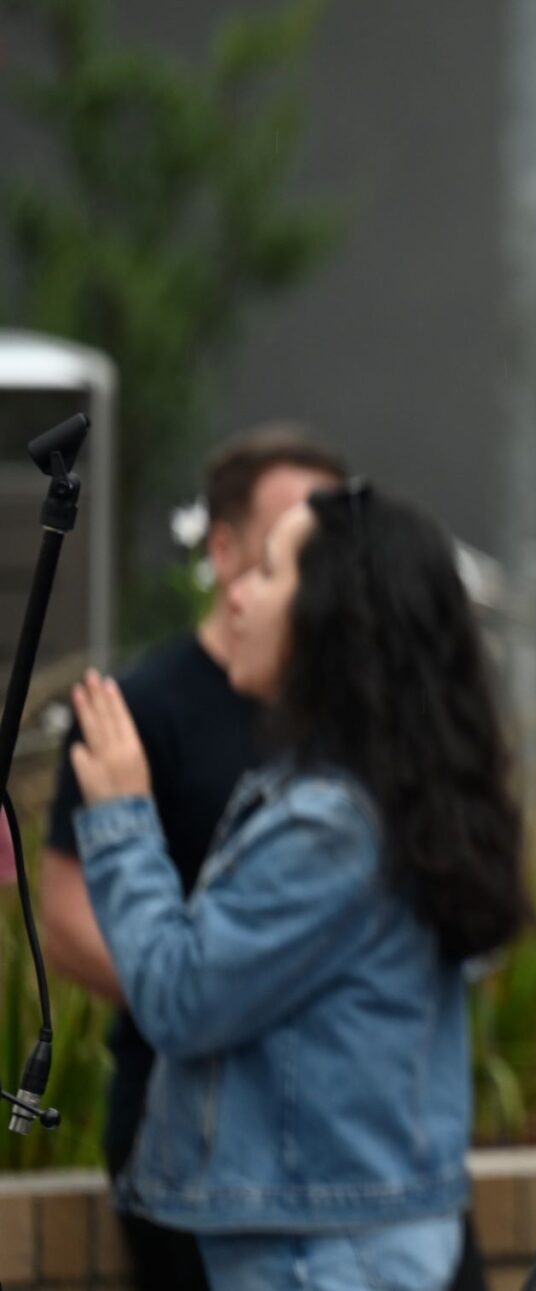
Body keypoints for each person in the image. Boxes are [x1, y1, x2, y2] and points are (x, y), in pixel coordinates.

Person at [66, 481, 531, 1290]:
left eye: (269, 572)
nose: (235, 594)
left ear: (332, 619)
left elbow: (179, 996)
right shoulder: (376, 799)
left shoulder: (331, 825)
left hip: (323, 1257)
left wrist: (122, 818)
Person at [42, 425, 346, 1291]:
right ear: (224, 553)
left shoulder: (354, 725)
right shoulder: (134, 709)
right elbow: (64, 914)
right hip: (183, 1129)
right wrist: (199, 998)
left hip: (323, 1135)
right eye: (285, 549)